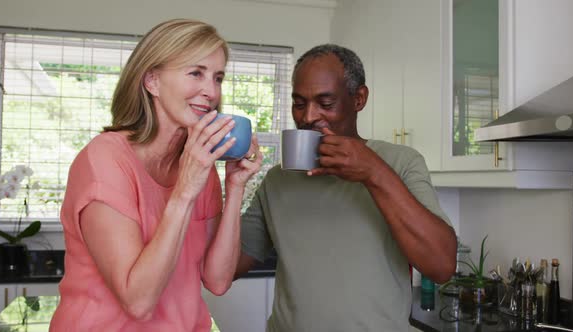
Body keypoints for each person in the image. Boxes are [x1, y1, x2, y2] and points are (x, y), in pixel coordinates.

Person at [50, 19, 262, 332]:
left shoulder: (196, 163)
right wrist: (185, 190)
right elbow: (138, 302)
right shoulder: (104, 160)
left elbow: (217, 280)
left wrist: (235, 186)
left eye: (217, 78)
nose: (211, 91)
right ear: (152, 80)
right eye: (196, 73)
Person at [235, 44, 457, 331]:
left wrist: (373, 172)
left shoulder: (400, 162)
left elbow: (441, 266)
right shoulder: (279, 179)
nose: (308, 117)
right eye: (299, 103)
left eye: (325, 103)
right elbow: (224, 268)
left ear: (359, 99)